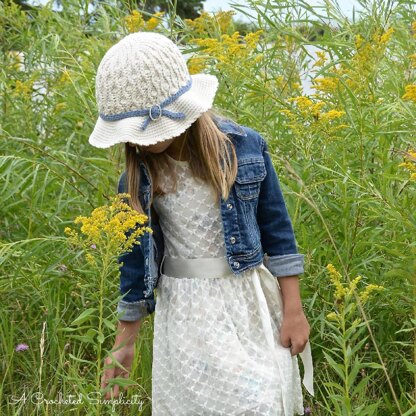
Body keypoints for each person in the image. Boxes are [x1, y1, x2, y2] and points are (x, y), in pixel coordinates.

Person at [89, 31, 314, 415]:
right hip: (186, 313)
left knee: (259, 401)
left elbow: (278, 232)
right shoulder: (137, 181)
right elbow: (134, 268)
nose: (141, 143)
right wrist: (124, 343)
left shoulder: (243, 148)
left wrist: (294, 309)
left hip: (247, 303)